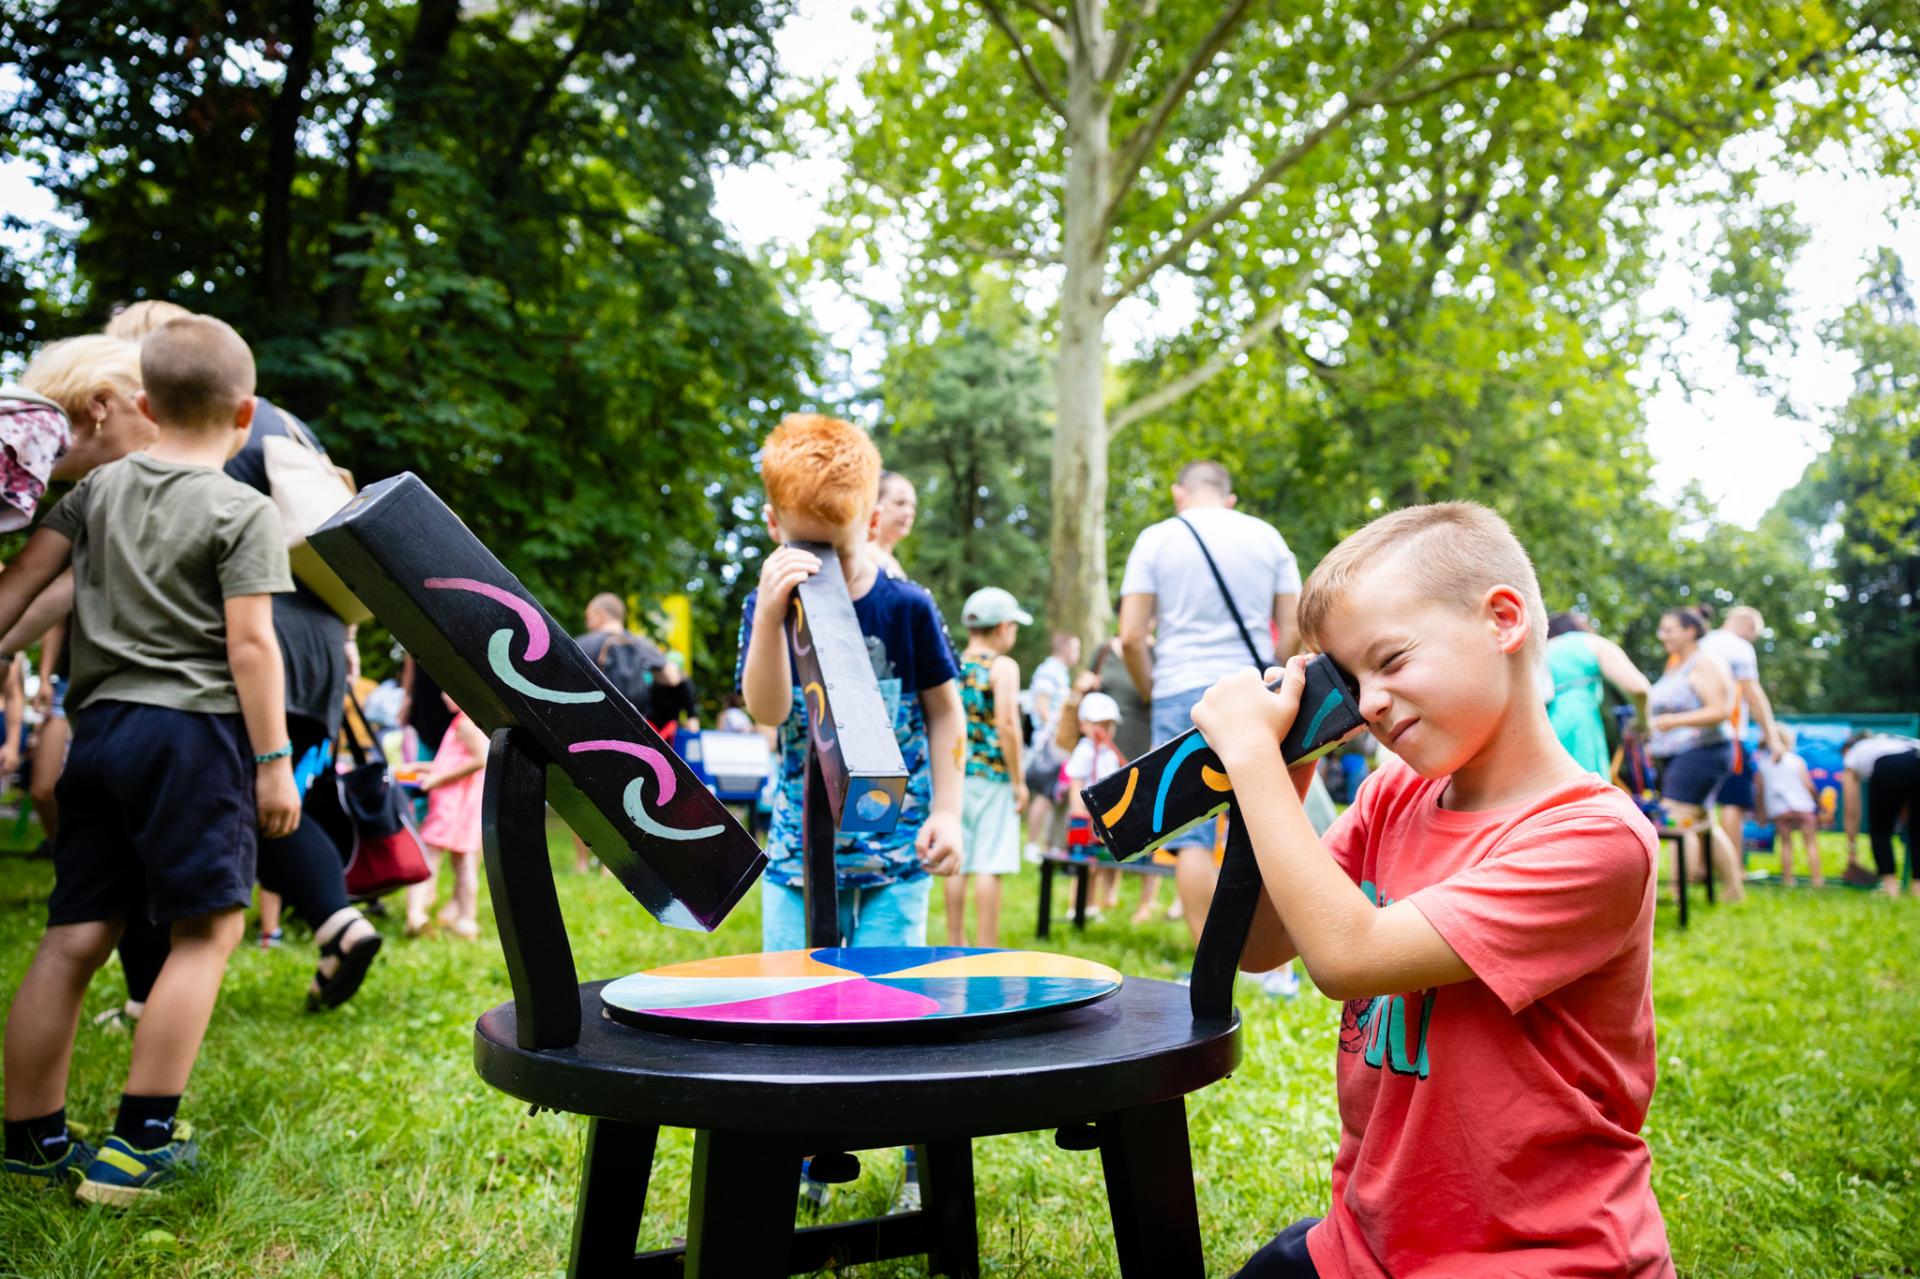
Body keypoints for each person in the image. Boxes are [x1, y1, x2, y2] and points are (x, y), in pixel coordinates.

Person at [1188, 501, 1673, 1278]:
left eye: (1391, 659)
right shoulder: (1394, 795)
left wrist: (1249, 757)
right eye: (1350, 682)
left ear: (1503, 619)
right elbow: (1260, 945)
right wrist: (1288, 766)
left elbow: (1348, 955)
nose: (1369, 703)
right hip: (1370, 1237)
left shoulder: (1594, 838)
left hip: (1536, 1254)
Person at [0, 315, 302, 1204]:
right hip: (192, 740)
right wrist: (275, 759)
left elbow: (18, 590)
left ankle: (31, 1139)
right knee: (206, 932)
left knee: (72, 937)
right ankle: (139, 1146)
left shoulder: (94, 492)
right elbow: (252, 646)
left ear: (145, 403)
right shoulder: (244, 510)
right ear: (244, 413)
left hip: (95, 735)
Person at [102, 299, 382, 1013]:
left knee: (171, 811)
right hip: (321, 642)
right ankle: (339, 921)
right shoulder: (285, 424)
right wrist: (348, 645)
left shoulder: (176, 424)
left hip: (245, 633)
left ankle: (146, 995)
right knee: (266, 805)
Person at [736, 414, 964, 952]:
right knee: (792, 993)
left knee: (887, 994)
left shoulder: (908, 606)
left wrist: (948, 813)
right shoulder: (765, 607)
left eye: (835, 552)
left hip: (898, 854)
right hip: (798, 856)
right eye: (805, 549)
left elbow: (945, 712)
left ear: (871, 523)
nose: (823, 569)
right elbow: (768, 712)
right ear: (774, 525)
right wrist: (769, 617)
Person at [1118, 459, 1302, 945]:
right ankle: (1266, 961)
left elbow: (1131, 636)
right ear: (1229, 498)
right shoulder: (1267, 537)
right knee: (1264, 820)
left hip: (1179, 689)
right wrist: (1273, 681)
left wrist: (1152, 689)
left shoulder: (1156, 539)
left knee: (1193, 833)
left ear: (1178, 493)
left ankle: (1209, 963)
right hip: (1252, 688)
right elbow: (1294, 627)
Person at [947, 588, 1029, 947]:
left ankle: (954, 941)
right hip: (993, 775)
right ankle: (985, 947)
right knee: (989, 862)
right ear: (1003, 628)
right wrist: (1019, 781)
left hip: (954, 774)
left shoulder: (951, 663)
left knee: (958, 860)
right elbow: (1007, 723)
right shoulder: (1003, 666)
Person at [1647, 607, 1745, 902]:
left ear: (1690, 631)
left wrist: (1671, 721)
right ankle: (1733, 890)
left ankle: (1677, 894)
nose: (1662, 636)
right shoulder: (1677, 664)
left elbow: (1720, 711)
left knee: (1675, 818)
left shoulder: (1706, 663)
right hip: (1682, 753)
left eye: (1669, 630)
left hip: (1703, 752)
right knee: (1702, 822)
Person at [571, 593, 663, 870]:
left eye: (589, 615)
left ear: (601, 614)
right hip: (634, 733)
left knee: (584, 794)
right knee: (626, 797)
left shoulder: (584, 644)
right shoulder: (643, 645)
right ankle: (616, 864)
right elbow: (671, 677)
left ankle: (581, 863)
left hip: (591, 730)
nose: (587, 621)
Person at [1700, 605, 1788, 871]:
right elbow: (1753, 694)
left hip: (1692, 738)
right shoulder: (1739, 647)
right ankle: (1733, 869)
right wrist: (1773, 738)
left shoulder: (1700, 642)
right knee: (1733, 803)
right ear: (1749, 626)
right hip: (1730, 736)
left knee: (1698, 805)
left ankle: (1698, 868)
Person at [405, 699, 490, 937]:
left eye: (447, 692)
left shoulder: (465, 725)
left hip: (451, 804)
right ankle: (465, 920)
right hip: (466, 807)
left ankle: (416, 914)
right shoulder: (470, 722)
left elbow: (479, 760)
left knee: (427, 856)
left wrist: (437, 780)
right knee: (463, 863)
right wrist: (423, 767)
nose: (442, 696)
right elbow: (452, 762)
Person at [1544, 611, 1650, 776]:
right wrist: (1642, 722)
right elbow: (1638, 688)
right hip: (1579, 725)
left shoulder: (1541, 651)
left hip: (1542, 728)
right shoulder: (1590, 642)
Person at [1020, 631, 1079, 864]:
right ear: (1066, 649)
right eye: (1076, 648)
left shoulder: (1060, 673)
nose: (1078, 654)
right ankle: (1032, 844)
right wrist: (1054, 731)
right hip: (1050, 744)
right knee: (1045, 794)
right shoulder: (1049, 670)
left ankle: (1049, 844)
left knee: (1056, 794)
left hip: (1059, 743)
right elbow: (1042, 705)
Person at [1840, 731, 1919, 897]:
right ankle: (1918, 890)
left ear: (1847, 749)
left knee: (1880, 830)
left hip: (1888, 766)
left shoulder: (1854, 752)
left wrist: (1852, 849)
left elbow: (1851, 809)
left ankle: (1891, 889)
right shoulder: (1895, 740)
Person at [1754, 726, 1822, 888]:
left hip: (1779, 810)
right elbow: (1808, 785)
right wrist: (1818, 802)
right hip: (1803, 806)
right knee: (1810, 843)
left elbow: (1760, 792)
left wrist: (1761, 812)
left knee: (1786, 844)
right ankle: (1817, 880)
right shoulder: (1796, 761)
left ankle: (1787, 879)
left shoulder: (1763, 765)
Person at [868, 469, 917, 580]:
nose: (909, 512)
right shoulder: (860, 556)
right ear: (874, 503)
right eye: (900, 503)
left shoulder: (892, 562)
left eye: (913, 506)